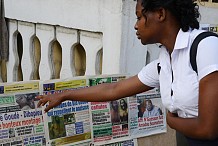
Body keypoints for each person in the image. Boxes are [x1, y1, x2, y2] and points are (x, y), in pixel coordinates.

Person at [37, 0, 218, 145]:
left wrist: (172, 122)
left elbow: (208, 129)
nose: (136, 25)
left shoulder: (205, 47)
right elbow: (113, 89)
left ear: (160, 14)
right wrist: (66, 95)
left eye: (139, 17)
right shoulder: (165, 62)